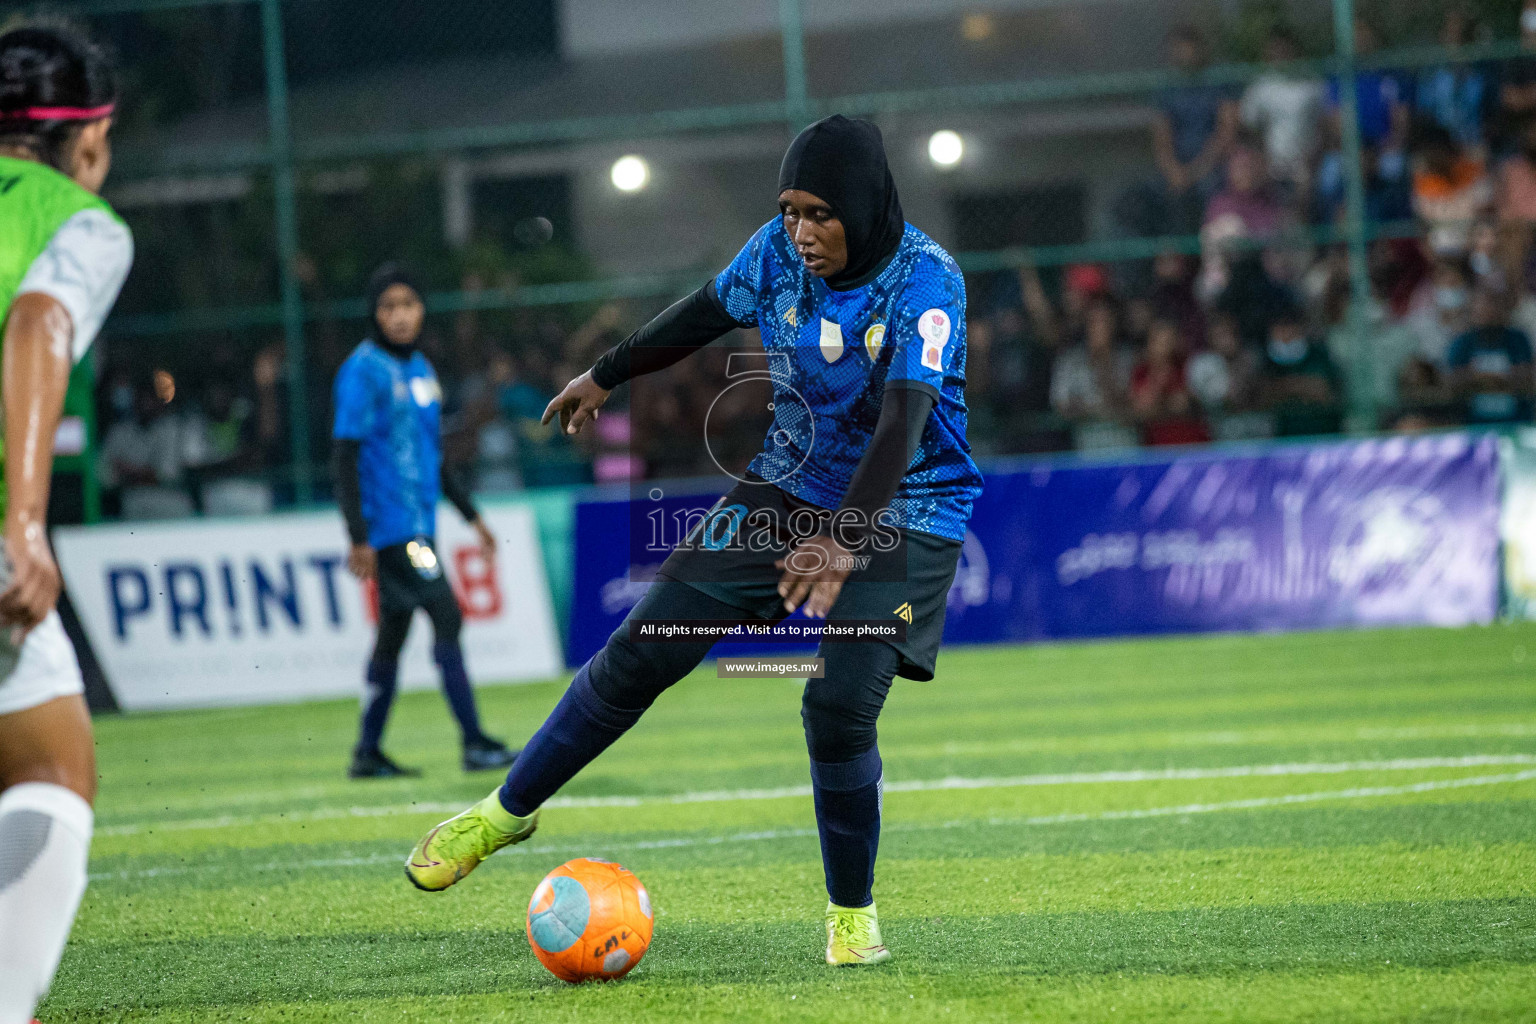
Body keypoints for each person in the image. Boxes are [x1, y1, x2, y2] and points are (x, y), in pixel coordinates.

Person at [403, 115, 984, 967]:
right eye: (789, 210)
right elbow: (701, 315)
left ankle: (851, 918)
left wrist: (844, 541)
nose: (801, 231)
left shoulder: (927, 280)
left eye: (820, 213)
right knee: (643, 649)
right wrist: (606, 372)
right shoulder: (775, 253)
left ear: (862, 206)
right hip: (788, 485)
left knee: (835, 707)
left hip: (908, 507)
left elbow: (903, 425)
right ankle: (501, 814)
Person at [0, 20, 132, 1024]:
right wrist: (28, 525)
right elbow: (40, 322)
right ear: (89, 135)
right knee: (51, 767)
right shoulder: (78, 222)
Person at [331, 263, 519, 779]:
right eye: (388, 307)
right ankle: (475, 742)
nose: (399, 316)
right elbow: (344, 457)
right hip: (394, 532)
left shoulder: (420, 371)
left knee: (392, 635)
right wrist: (358, 536)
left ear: (421, 310)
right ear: (374, 313)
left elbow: (433, 457)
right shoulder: (362, 371)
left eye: (408, 305)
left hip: (421, 524)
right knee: (446, 613)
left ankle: (367, 752)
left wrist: (472, 516)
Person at [1240, 26, 1325, 198]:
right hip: (1270, 164)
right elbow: (1248, 127)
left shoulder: (1311, 84)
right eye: (1275, 49)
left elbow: (1324, 124)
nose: (1280, 54)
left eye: (1284, 49)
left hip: (1307, 162)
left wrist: (1313, 158)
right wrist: (1262, 159)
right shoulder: (1261, 87)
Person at [1446, 286, 1535, 424]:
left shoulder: (1518, 339)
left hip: (1516, 421)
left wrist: (1478, 378)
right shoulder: (1463, 342)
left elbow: (1526, 376)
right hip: (1473, 422)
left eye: (1493, 305)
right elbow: (1452, 381)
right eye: (1482, 306)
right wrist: (1501, 378)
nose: (1488, 311)